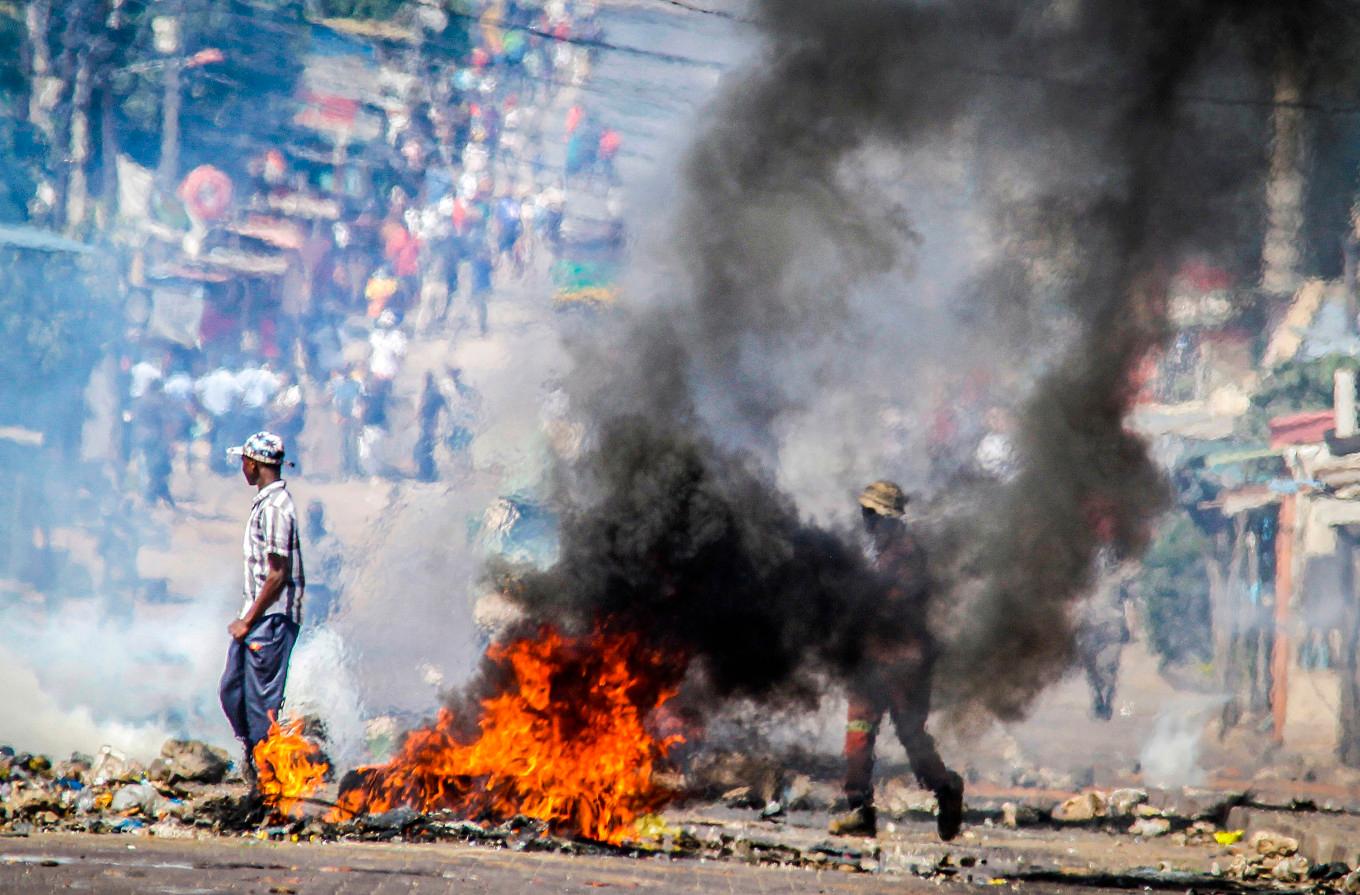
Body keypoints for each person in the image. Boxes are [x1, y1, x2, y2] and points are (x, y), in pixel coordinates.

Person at [829, 480, 964, 842]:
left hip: (904, 662)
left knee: (911, 736)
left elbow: (896, 606)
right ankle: (859, 810)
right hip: (873, 659)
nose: (865, 520)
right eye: (865, 513)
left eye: (871, 513)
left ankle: (946, 789)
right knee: (858, 734)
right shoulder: (880, 551)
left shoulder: (905, 554)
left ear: (887, 518)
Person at [218, 431, 305, 786]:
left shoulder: (275, 509)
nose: (242, 466)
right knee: (232, 690)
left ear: (253, 465)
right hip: (258, 619)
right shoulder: (265, 504)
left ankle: (270, 783)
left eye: (244, 461)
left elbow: (277, 575)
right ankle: (255, 760)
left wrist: (247, 619)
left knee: (260, 707)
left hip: (270, 620)